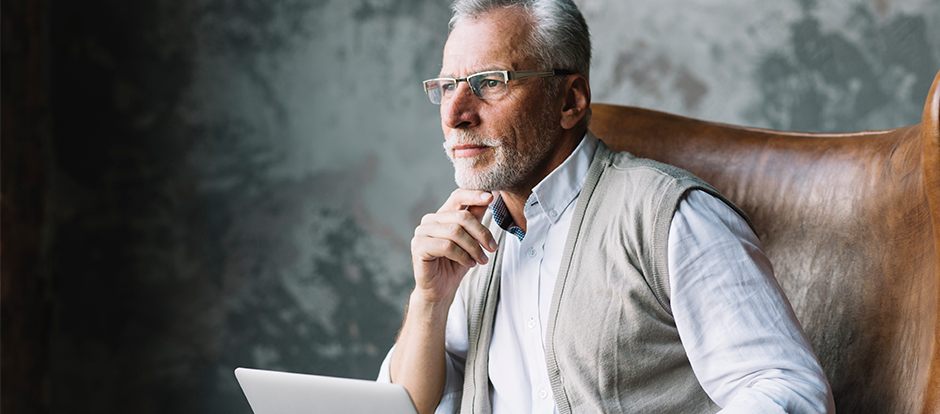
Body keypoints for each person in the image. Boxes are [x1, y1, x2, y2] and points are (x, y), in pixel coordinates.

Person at [377, 1, 835, 413]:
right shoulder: (467, 244)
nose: (456, 112)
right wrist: (429, 303)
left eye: (489, 83)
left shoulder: (670, 217)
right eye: (448, 85)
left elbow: (787, 390)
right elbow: (405, 407)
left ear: (571, 101)